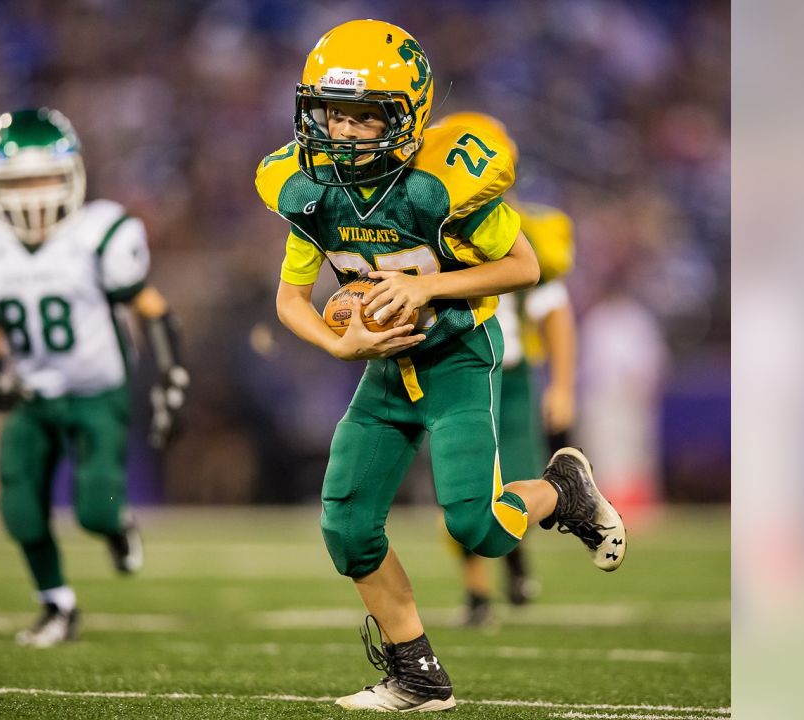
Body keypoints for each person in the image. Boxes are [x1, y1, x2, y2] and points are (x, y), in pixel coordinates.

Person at [257, 20, 626, 711]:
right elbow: (290, 298)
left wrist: (424, 287)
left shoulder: (440, 186)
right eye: (333, 113)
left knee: (477, 529)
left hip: (458, 356)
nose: (342, 131)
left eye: (364, 117)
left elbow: (523, 265)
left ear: (405, 116)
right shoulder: (307, 189)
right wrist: (339, 344)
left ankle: (563, 492)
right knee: (346, 523)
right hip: (387, 372)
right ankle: (418, 675)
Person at [0, 108, 189, 647]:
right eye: (18, 181)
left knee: (94, 506)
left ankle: (116, 525)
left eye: (43, 178)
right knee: (17, 501)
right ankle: (56, 604)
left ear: (72, 176)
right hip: (34, 395)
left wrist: (172, 375)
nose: (32, 194)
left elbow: (148, 306)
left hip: (98, 391)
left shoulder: (98, 232)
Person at [433, 112, 581, 626]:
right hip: (450, 370)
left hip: (511, 376)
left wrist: (562, 385)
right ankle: (477, 595)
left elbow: (554, 311)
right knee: (459, 488)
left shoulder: (529, 231)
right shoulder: (426, 224)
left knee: (506, 486)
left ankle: (519, 555)